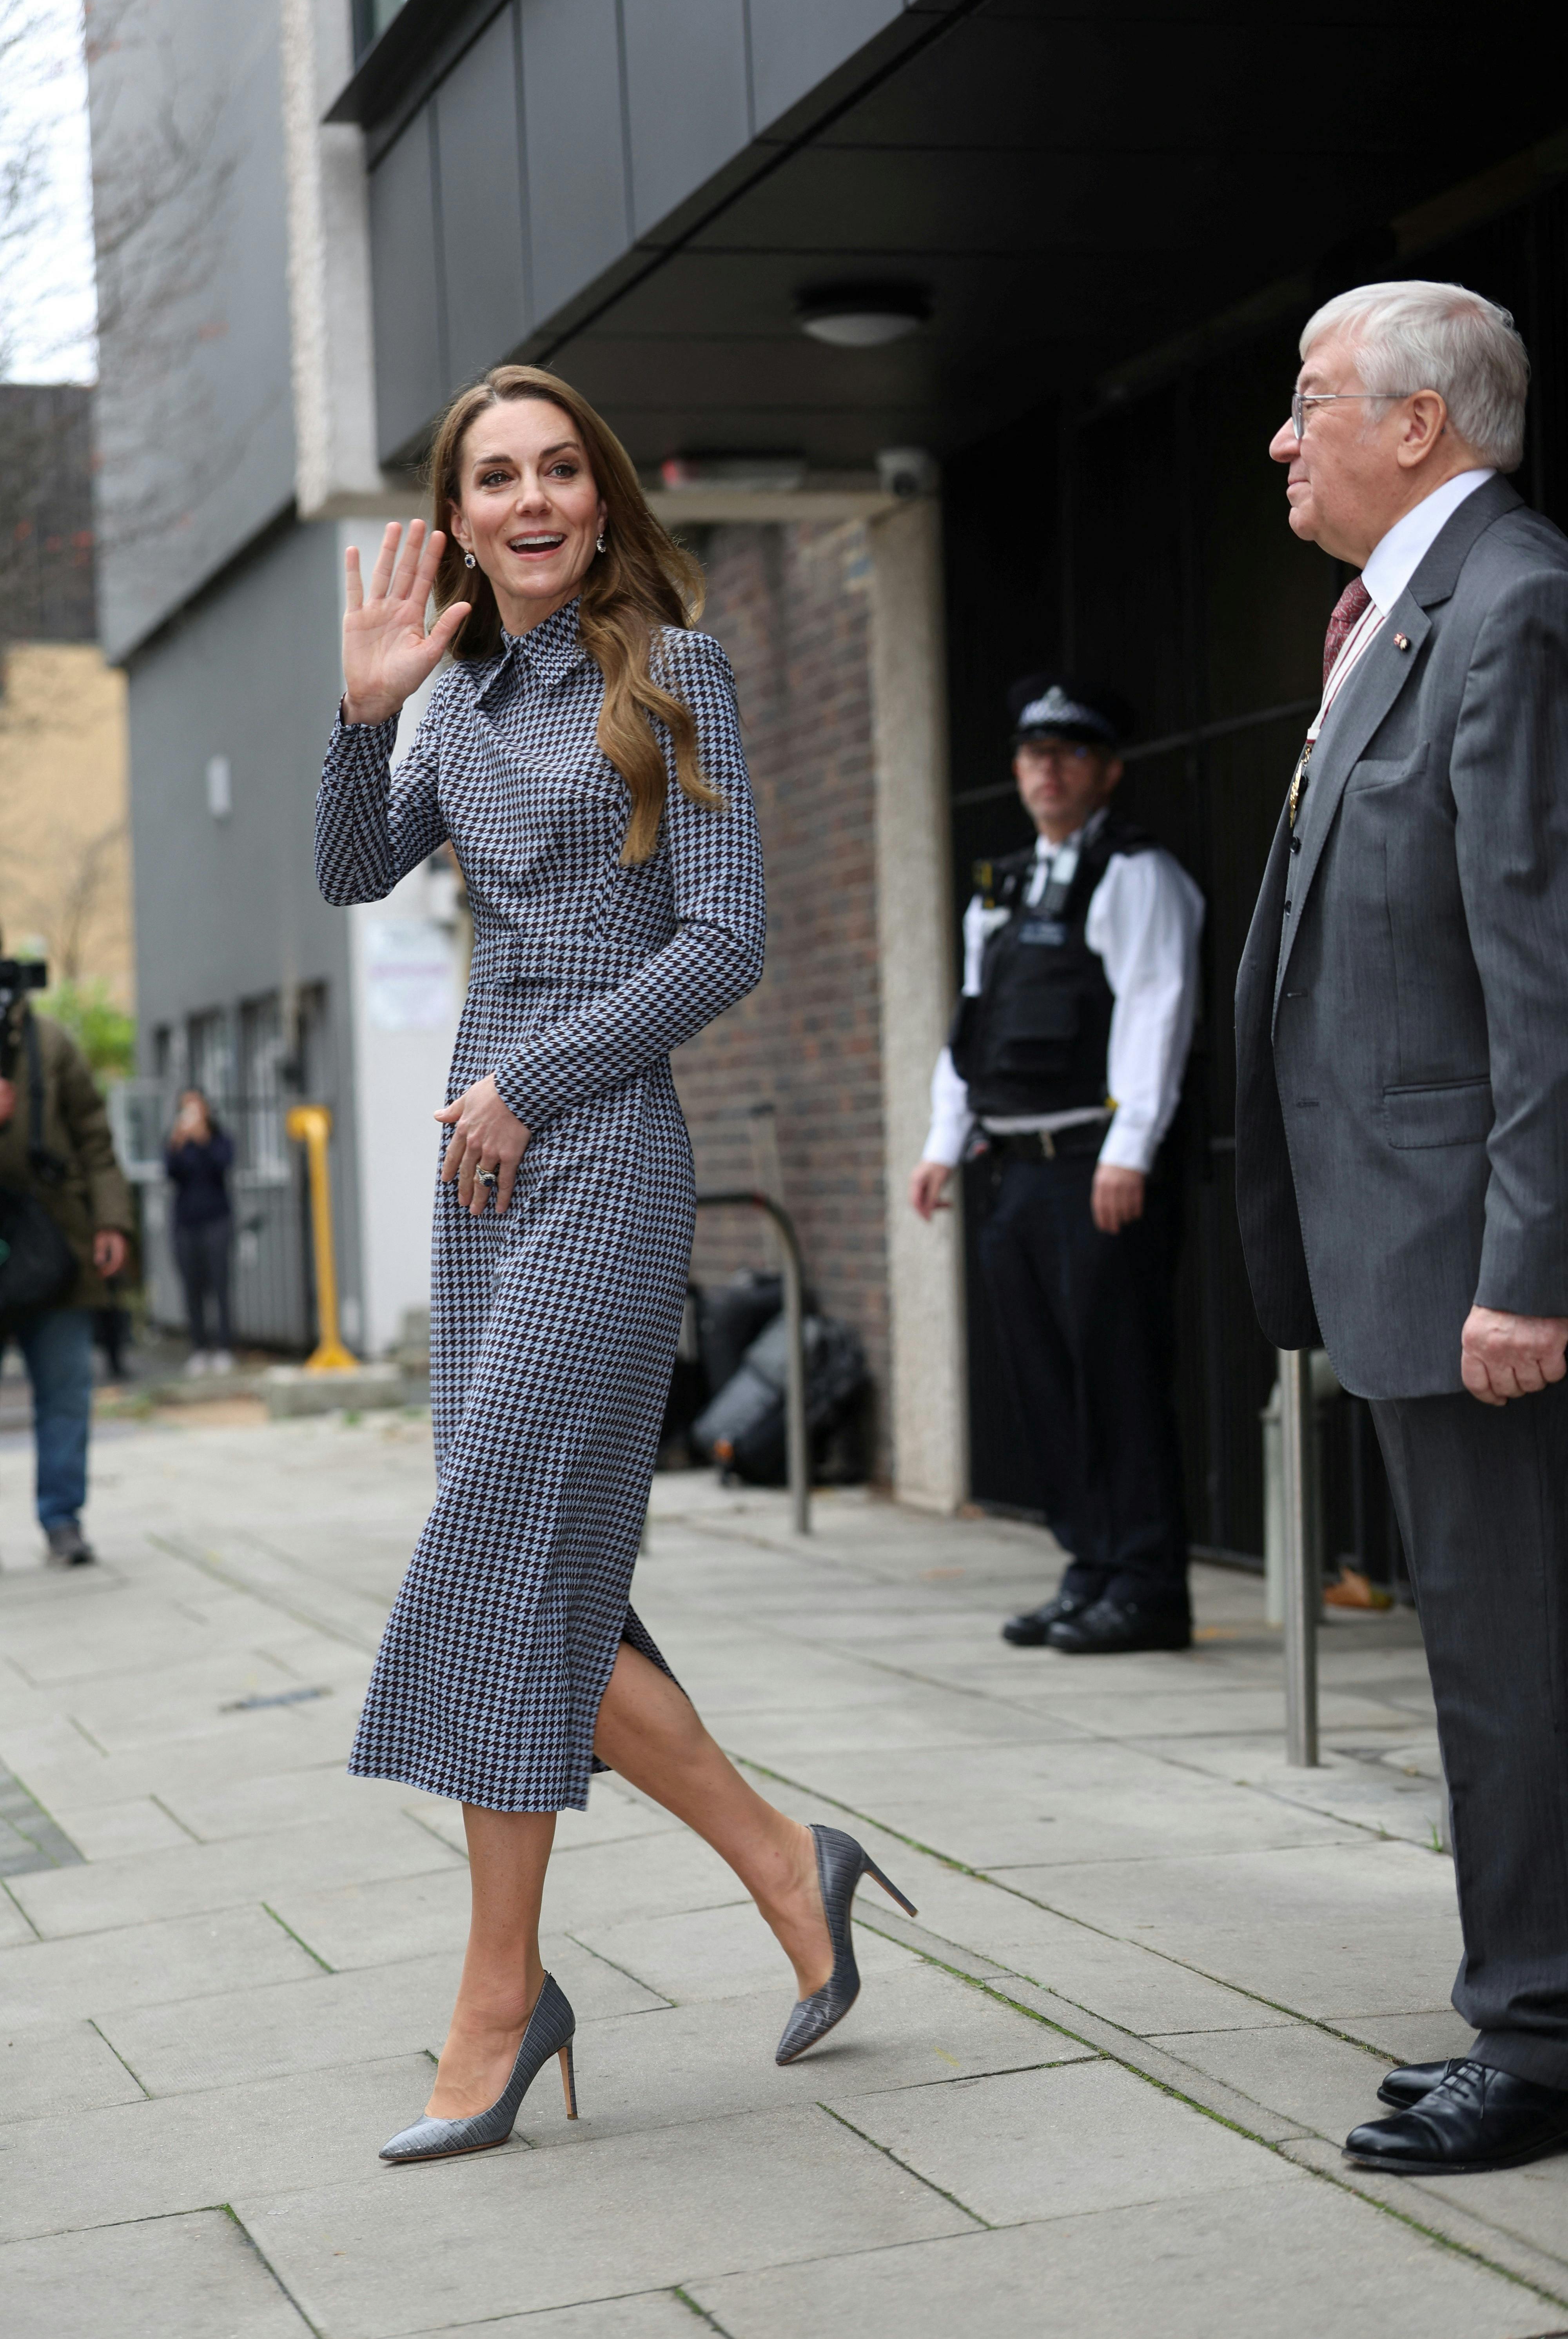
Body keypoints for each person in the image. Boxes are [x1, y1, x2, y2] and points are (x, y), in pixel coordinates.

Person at [315, 365, 917, 2166]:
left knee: (498, 1548)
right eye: (492, 476)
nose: (528, 499)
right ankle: (775, 1860)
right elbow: (356, 869)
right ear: (456, 510)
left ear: (598, 496)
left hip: (589, 1141)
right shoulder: (456, 697)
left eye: (556, 469)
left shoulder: (676, 670)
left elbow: (724, 940)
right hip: (475, 1158)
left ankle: (497, 1997)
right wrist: (360, 719)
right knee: (544, 1561)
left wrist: (528, 1075)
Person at [1236, 279, 1568, 2177]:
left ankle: (1528, 2038)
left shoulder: (1507, 608)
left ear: (1417, 425)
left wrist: (1528, 1267)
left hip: (1476, 1265)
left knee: (1508, 1662)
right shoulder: (1393, 616)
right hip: (1411, 1245)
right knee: (1485, 1656)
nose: (1280, 437)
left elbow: (1540, 974)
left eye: (1305, 402)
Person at [911, 681, 1203, 1653]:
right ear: (1016, 768)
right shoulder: (998, 888)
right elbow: (970, 1028)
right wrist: (940, 1145)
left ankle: (1149, 1584)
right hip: (1016, 1170)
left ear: (1106, 772)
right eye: (1034, 752)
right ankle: (1090, 1569)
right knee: (1045, 1382)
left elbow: (1155, 1014)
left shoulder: (1135, 874)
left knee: (1115, 1378)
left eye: (1071, 753)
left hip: (1094, 1167)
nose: (1048, 768)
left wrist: (1127, 1150)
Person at [0, 954, 132, 1564]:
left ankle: (63, 1522)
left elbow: (95, 1136)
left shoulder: (51, 1042)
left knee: (65, 1388)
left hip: (58, 1243)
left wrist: (111, 1220)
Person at [164, 1086, 235, 1374]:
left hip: (217, 1219)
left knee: (221, 1285)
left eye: (196, 1106)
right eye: (186, 1107)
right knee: (192, 1287)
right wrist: (179, 1143)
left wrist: (204, 1139)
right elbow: (170, 1173)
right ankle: (199, 1349)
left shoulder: (218, 1138)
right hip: (186, 1222)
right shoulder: (177, 1140)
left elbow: (224, 1164)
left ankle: (225, 1348)